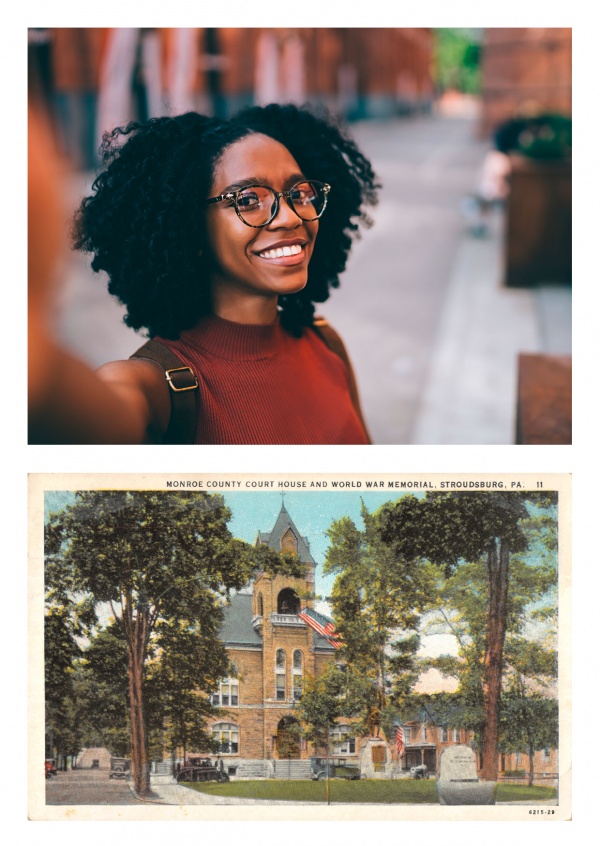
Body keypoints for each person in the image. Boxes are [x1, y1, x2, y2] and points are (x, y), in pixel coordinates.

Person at [67, 103, 378, 444]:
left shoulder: (326, 345)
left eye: (300, 193)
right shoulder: (154, 389)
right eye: (247, 200)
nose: (290, 217)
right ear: (191, 227)